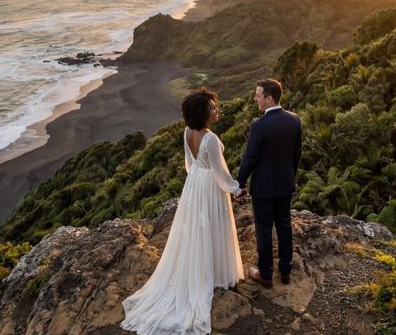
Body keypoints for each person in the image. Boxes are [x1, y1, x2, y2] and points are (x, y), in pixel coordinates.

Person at [121, 87, 244, 335]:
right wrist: (236, 188)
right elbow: (221, 174)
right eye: (212, 107)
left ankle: (203, 269)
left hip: (195, 183)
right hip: (209, 185)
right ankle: (215, 273)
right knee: (213, 226)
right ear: (203, 113)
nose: (216, 109)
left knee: (197, 230)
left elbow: (190, 164)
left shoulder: (188, 132)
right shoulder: (210, 138)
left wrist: (197, 180)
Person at [236, 78, 302, 288]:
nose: (255, 98)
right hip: (285, 184)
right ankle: (285, 268)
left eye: (258, 95)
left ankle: (265, 274)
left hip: (263, 189)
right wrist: (291, 176)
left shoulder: (259, 126)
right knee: (284, 225)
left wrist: (240, 183)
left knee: (264, 229)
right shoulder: (294, 120)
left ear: (269, 98)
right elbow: (296, 154)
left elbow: (250, 159)